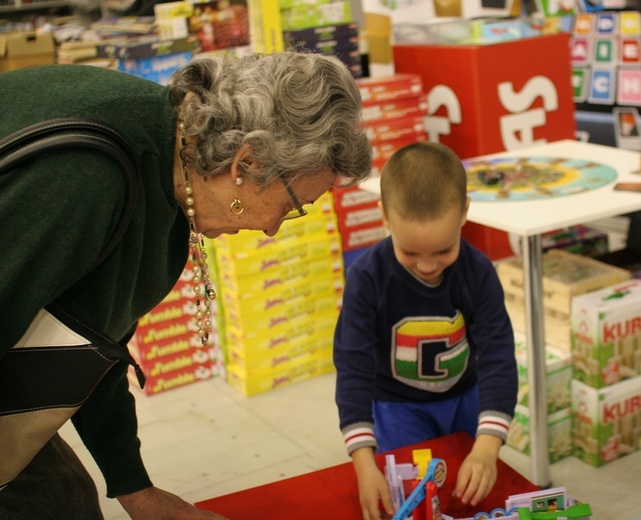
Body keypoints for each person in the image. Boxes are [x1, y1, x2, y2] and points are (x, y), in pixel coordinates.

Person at [0, 51, 372, 519]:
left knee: (63, 498)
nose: (276, 228)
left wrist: (135, 489)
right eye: (294, 205)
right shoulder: (92, 177)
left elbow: (87, 338)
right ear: (245, 163)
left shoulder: (169, 171)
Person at [333, 141, 517, 520]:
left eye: (444, 250)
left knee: (468, 493)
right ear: (384, 215)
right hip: (397, 406)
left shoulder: (478, 272)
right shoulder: (367, 278)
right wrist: (364, 465)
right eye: (411, 253)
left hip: (466, 398)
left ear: (465, 212)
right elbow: (353, 367)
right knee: (413, 501)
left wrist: (486, 448)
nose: (429, 266)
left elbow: (498, 356)